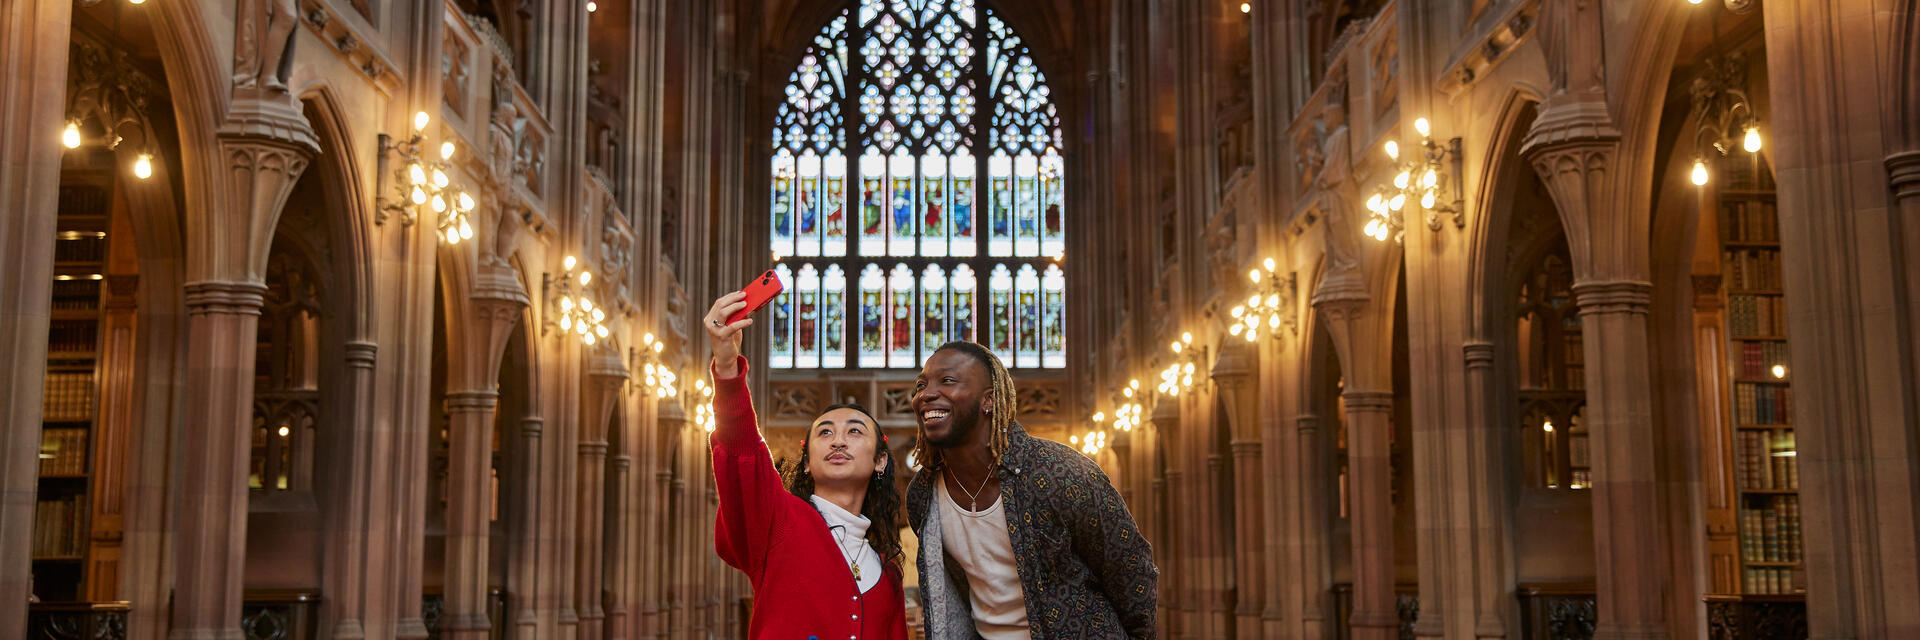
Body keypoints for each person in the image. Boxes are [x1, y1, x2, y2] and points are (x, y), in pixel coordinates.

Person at [906, 341, 1158, 638]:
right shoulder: (923, 494)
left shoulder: (1061, 472)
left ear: (989, 400)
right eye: (921, 385)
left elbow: (1131, 572)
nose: (926, 394)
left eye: (947, 381)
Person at [705, 292, 909, 639]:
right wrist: (727, 368)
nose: (838, 440)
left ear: (880, 461)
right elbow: (745, 456)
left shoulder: (888, 570)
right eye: (825, 433)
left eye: (854, 431)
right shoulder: (778, 521)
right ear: (807, 465)